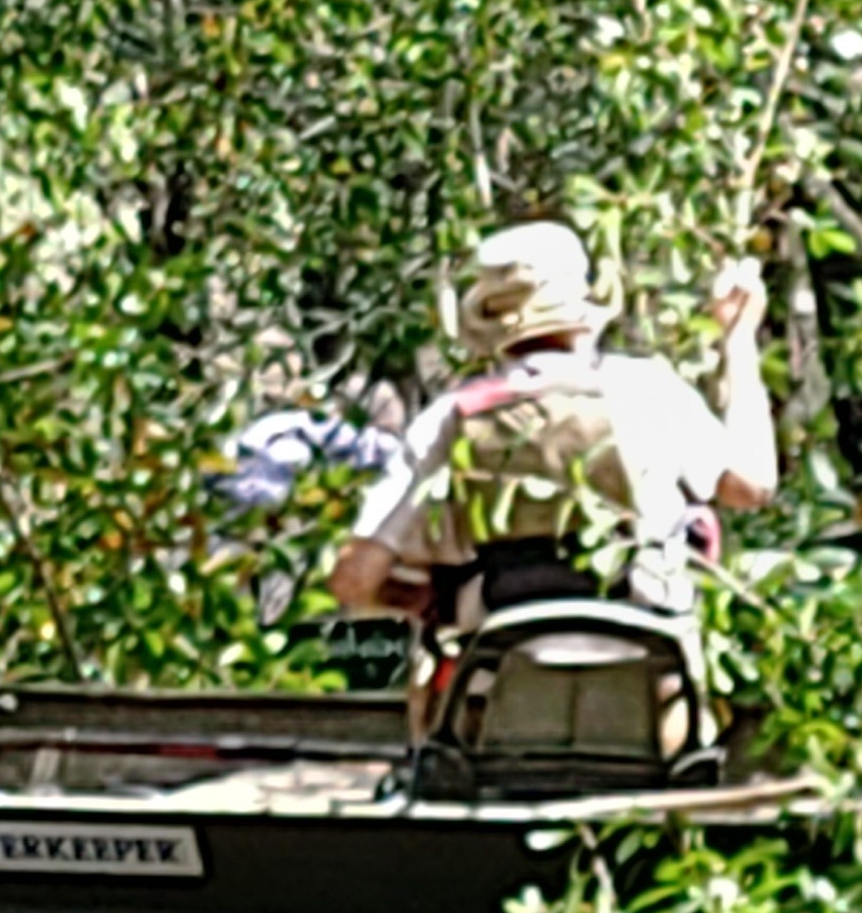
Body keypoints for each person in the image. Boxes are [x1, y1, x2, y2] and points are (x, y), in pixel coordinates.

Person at [328, 222, 777, 644]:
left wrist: (419, 601)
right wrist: (738, 340)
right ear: (583, 307)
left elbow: (354, 580)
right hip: (647, 642)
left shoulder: (451, 417)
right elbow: (752, 486)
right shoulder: (647, 388)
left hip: (503, 656)